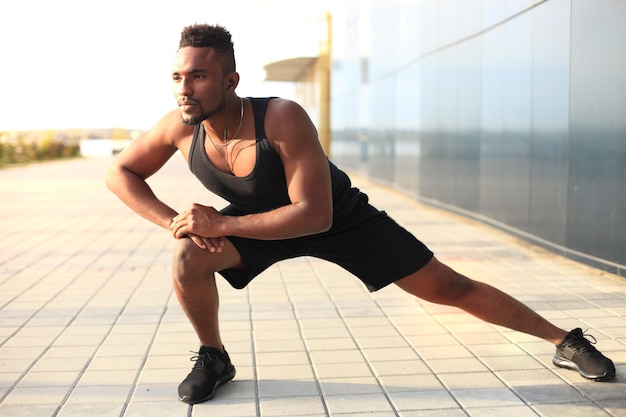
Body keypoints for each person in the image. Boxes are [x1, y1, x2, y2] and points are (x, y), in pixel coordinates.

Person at [105, 24, 616, 405]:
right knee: (186, 257)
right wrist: (180, 222)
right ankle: (214, 356)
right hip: (256, 223)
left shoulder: (280, 116)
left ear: (230, 78)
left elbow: (314, 215)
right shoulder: (177, 126)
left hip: (337, 217)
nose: (184, 88)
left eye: (198, 75)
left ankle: (563, 340)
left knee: (448, 288)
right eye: (177, 76)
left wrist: (222, 223)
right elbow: (120, 173)